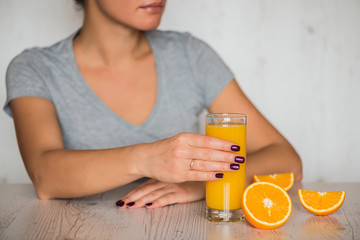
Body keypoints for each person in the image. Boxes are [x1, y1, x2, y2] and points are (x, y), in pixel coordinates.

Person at [3, 0, 302, 209]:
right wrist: (148, 159)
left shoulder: (190, 55)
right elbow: (45, 177)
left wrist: (200, 185)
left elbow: (286, 159)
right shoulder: (34, 68)